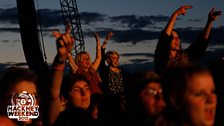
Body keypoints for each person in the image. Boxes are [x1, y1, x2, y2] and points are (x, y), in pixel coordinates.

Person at [46, 24, 99, 126]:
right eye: (76, 90)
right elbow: (54, 94)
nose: (84, 93)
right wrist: (61, 57)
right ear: (64, 98)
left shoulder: (95, 118)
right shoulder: (63, 121)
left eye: (87, 88)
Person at [154, 5, 222, 75]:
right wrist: (175, 14)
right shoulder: (161, 58)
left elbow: (201, 44)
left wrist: (209, 22)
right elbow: (164, 39)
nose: (177, 40)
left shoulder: (185, 56)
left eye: (178, 38)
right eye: (173, 38)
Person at [99, 32, 130, 126]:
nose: (116, 60)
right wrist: (107, 40)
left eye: (117, 58)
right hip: (110, 101)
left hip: (122, 100)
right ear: (108, 60)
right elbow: (101, 52)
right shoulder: (105, 70)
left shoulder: (122, 72)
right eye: (113, 58)